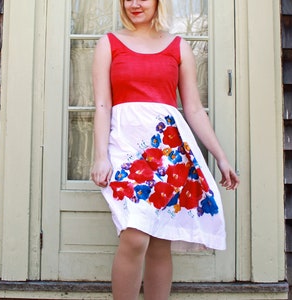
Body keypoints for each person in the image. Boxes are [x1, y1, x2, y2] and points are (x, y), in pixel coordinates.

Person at [90, 0, 240, 299]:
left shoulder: (178, 47)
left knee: (160, 240)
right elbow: (102, 104)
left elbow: (194, 109)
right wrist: (100, 156)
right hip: (126, 148)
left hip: (168, 152)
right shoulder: (109, 44)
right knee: (134, 237)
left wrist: (221, 157)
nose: (134, 3)